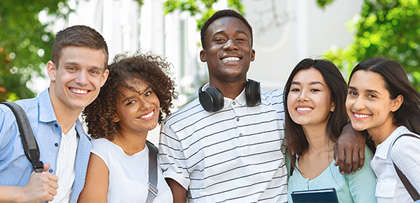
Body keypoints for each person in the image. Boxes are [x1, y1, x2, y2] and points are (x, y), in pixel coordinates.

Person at [158, 9, 366, 202]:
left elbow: (328, 111)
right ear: (203, 54)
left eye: (240, 39)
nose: (230, 45)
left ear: (252, 53)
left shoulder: (282, 105)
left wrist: (352, 131)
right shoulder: (177, 125)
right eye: (219, 39)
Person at [0, 25, 109, 202]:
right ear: (52, 70)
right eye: (72, 68)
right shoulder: (7, 119)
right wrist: (22, 194)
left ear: (103, 78)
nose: (82, 80)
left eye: (93, 72)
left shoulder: (85, 146)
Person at [78, 52, 177, 202]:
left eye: (148, 93)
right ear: (113, 114)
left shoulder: (156, 155)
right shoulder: (101, 152)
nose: (146, 105)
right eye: (131, 102)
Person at [284, 58, 377, 202]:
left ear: (333, 102)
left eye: (314, 90)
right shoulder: (290, 158)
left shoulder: (352, 154)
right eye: (295, 89)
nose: (302, 97)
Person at [346, 58, 420, 202]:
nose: (358, 105)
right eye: (353, 93)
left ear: (395, 103)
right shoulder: (375, 147)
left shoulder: (402, 147)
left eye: (371, 96)